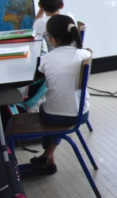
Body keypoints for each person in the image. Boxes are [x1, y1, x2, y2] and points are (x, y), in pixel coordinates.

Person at [28, 15, 90, 175]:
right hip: (82, 114)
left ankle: (47, 155)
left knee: (45, 109)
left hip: (56, 117)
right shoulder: (84, 55)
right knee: (59, 108)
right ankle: (48, 156)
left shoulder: (46, 59)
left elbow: (38, 78)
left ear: (53, 40)